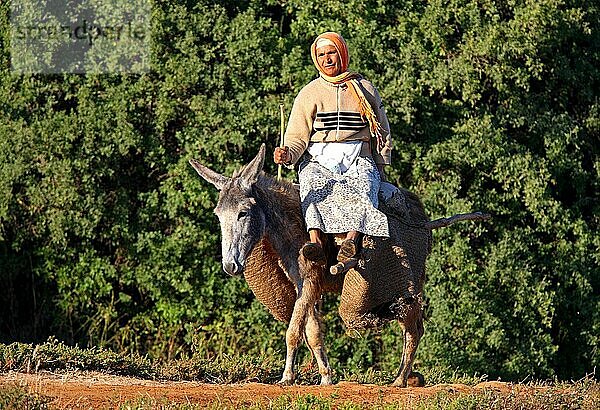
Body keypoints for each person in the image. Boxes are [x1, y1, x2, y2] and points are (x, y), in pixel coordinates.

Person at [273, 32, 392, 265]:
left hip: (358, 155)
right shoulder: (309, 93)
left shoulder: (364, 88)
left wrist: (381, 163)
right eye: (321, 55)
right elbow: (298, 136)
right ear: (316, 59)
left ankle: (351, 239)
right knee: (311, 185)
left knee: (366, 184)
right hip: (318, 157)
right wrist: (287, 153)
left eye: (331, 53)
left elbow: (381, 130)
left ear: (342, 54)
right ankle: (315, 241)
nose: (327, 59)